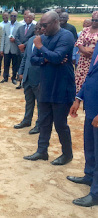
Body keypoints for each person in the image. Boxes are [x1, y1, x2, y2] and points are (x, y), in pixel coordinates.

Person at [24, 11, 75, 165]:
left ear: (55, 22)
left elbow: (58, 57)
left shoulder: (66, 36)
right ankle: (42, 151)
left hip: (62, 86)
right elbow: (33, 59)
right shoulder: (44, 38)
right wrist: (48, 57)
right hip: (46, 84)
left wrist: (41, 48)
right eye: (40, 26)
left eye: (44, 25)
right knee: (44, 120)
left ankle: (67, 154)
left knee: (60, 123)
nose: (42, 28)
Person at [68, 43, 98, 207]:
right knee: (90, 146)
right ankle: (89, 176)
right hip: (91, 107)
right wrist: (78, 98)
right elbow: (91, 75)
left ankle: (96, 194)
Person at [14, 23, 43, 135]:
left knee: (40, 104)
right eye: (36, 28)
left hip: (39, 78)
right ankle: (27, 120)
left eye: (39, 28)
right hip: (27, 77)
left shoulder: (45, 41)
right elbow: (25, 58)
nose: (37, 30)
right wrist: (21, 72)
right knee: (29, 101)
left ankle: (39, 125)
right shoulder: (31, 40)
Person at [75, 11, 98, 93]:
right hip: (83, 60)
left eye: (97, 20)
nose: (94, 22)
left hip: (95, 61)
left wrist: (92, 52)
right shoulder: (85, 29)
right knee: (81, 81)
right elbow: (79, 42)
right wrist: (85, 51)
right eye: (93, 20)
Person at [0, 11, 22, 85]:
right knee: (6, 64)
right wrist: (1, 49)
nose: (13, 17)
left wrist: (15, 40)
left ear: (17, 17)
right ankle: (5, 77)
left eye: (14, 16)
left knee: (15, 64)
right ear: (10, 16)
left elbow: (20, 38)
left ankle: (14, 78)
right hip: (7, 48)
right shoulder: (6, 26)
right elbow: (3, 37)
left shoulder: (20, 25)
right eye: (12, 16)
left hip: (15, 48)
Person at [15, 13, 36, 89]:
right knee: (19, 65)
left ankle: (26, 82)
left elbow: (33, 38)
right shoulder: (21, 27)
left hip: (28, 50)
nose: (27, 19)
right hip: (19, 50)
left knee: (27, 66)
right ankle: (20, 82)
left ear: (33, 19)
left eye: (29, 17)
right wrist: (20, 45)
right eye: (26, 17)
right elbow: (16, 37)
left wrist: (24, 45)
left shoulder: (35, 28)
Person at [0, 12, 9, 77]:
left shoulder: (10, 24)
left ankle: (6, 72)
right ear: (2, 17)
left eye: (6, 16)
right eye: (4, 16)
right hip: (0, 44)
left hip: (7, 44)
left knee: (7, 60)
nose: (5, 17)